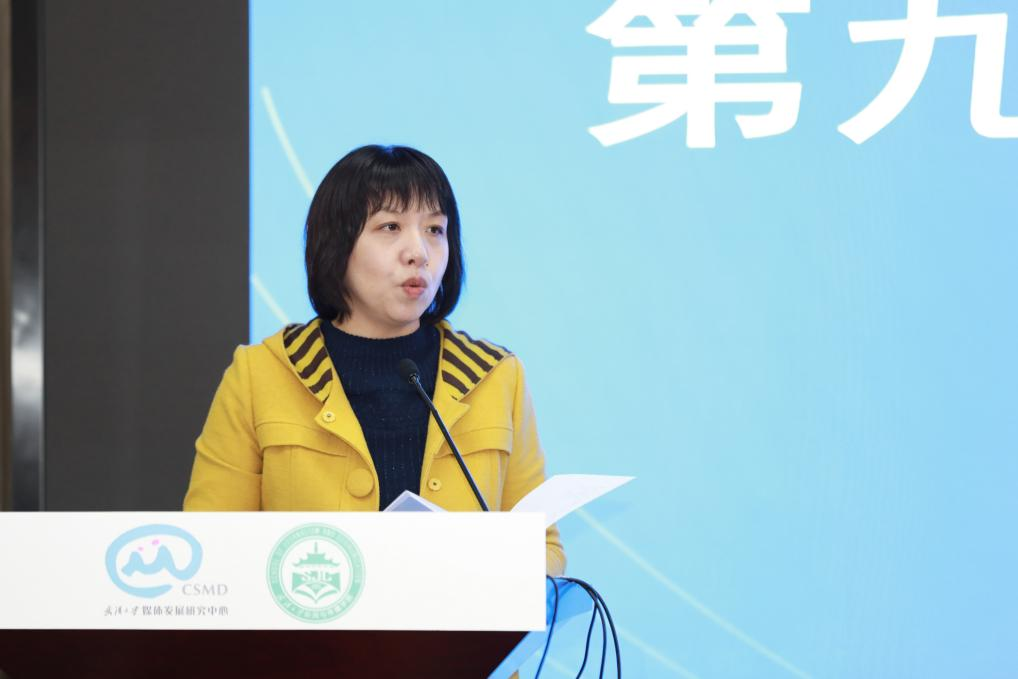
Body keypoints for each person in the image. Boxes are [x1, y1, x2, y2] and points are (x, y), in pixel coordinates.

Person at [183, 144, 565, 576]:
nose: (419, 252)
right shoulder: (261, 373)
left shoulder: (495, 376)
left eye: (435, 230)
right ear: (337, 243)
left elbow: (544, 547)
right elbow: (211, 547)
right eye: (390, 227)